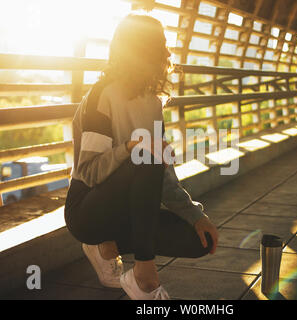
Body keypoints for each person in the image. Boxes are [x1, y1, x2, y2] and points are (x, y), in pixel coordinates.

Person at [64, 14, 218, 300]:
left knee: (199, 241)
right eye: (160, 44)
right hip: (87, 208)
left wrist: (195, 216)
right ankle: (142, 277)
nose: (167, 53)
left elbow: (165, 177)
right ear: (141, 49)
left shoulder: (152, 103)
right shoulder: (102, 96)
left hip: (128, 208)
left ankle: (109, 246)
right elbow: (88, 171)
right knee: (145, 158)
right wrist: (129, 148)